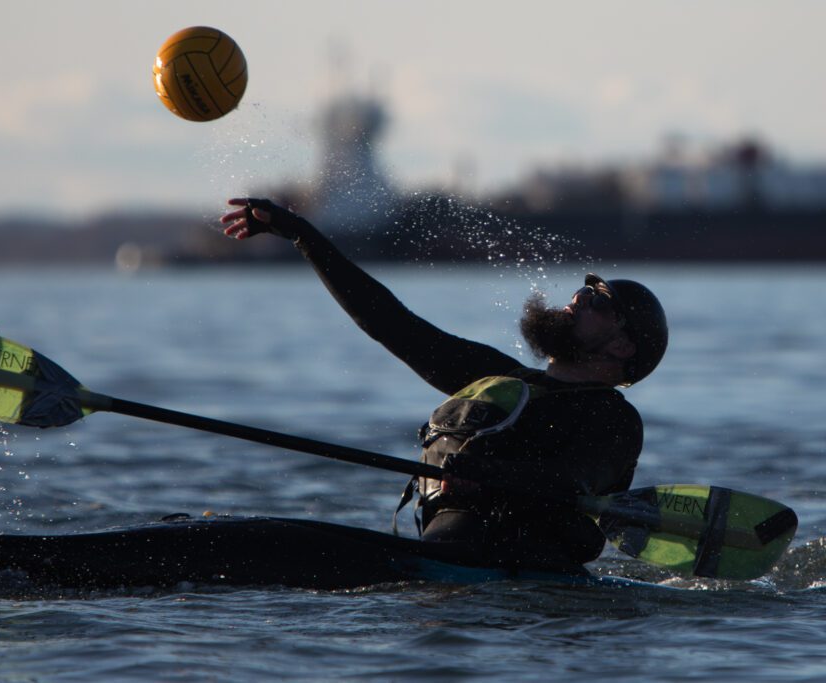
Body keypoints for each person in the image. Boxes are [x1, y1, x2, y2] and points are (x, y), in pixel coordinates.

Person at [220, 197, 668, 572]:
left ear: (623, 348)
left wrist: (485, 476)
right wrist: (303, 235)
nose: (577, 298)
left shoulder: (613, 418)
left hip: (507, 571)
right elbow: (391, 323)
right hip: (439, 559)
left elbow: (570, 486)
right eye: (580, 291)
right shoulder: (501, 379)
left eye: (597, 301)